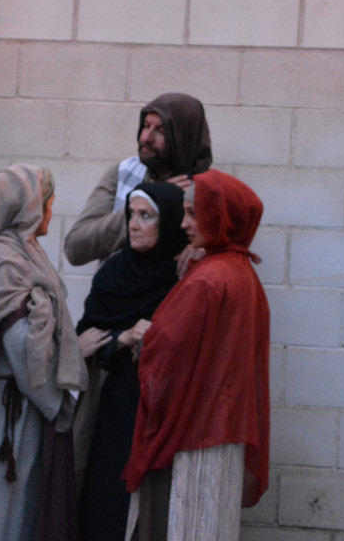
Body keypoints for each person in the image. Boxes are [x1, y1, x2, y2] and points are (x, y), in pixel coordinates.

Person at [0, 164, 110, 541]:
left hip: (23, 407)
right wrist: (68, 371)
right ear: (29, 208)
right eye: (47, 202)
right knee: (3, 512)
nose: (50, 210)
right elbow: (21, 346)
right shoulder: (5, 260)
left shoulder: (27, 253)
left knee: (23, 512)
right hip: (11, 411)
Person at [122, 169, 270, 541]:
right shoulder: (243, 274)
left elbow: (168, 358)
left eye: (193, 213)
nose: (184, 224)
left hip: (190, 438)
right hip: (225, 433)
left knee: (174, 526)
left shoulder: (207, 278)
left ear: (219, 216)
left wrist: (145, 338)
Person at [75, 181, 188, 541]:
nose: (134, 225)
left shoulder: (185, 277)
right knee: (109, 502)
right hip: (118, 405)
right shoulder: (114, 273)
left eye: (146, 216)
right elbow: (86, 335)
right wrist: (121, 338)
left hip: (166, 411)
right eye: (131, 215)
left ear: (168, 222)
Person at [63, 92, 212, 268]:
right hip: (115, 284)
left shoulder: (208, 189)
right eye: (146, 126)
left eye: (161, 131)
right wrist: (145, 204)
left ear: (183, 137)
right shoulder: (124, 173)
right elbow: (75, 248)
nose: (146, 138)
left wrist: (206, 248)